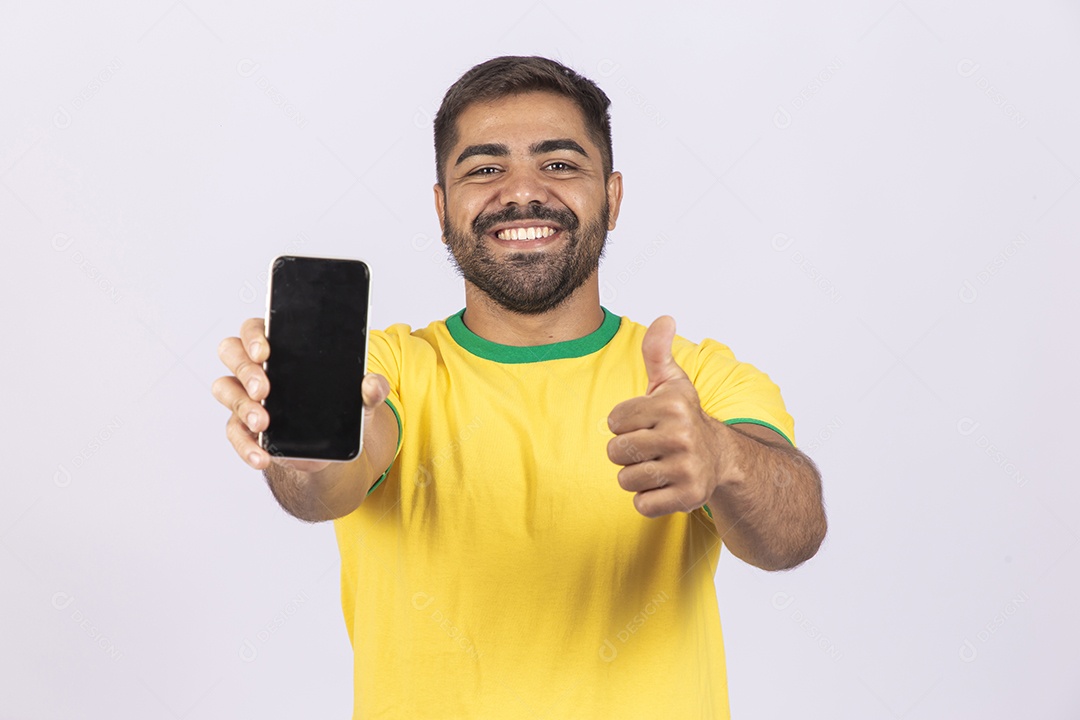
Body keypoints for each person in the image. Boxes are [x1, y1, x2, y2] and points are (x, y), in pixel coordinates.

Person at [212, 55, 827, 719]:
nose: (522, 191)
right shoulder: (390, 367)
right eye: (485, 168)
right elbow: (325, 486)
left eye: (559, 163)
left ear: (613, 197)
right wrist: (306, 450)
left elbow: (793, 535)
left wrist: (724, 457)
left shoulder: (692, 380)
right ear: (443, 207)